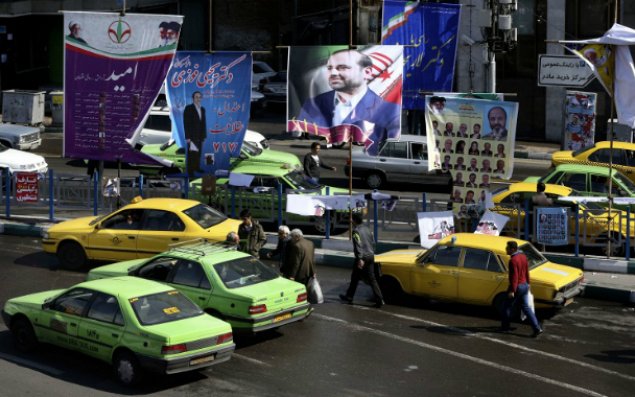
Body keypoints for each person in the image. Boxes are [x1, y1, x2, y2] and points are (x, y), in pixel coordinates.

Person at [295, 49, 401, 155]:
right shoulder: (318, 101)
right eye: (331, 68)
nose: (335, 73)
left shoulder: (381, 106)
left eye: (344, 68)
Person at [339, 212, 384, 308]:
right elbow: (373, 242)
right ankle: (379, 299)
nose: (350, 220)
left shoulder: (356, 231)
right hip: (371, 255)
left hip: (362, 257)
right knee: (367, 278)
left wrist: (360, 258)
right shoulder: (368, 229)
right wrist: (371, 252)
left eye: (351, 219)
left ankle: (349, 297)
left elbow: (358, 244)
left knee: (356, 278)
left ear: (354, 220)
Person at [501, 240, 543, 337]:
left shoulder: (513, 260)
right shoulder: (523, 257)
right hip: (524, 285)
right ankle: (537, 328)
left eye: (507, 248)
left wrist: (512, 290)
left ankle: (505, 327)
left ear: (513, 249)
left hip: (517, 287)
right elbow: (526, 272)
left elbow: (514, 277)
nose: (506, 250)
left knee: (506, 307)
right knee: (526, 307)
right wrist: (528, 283)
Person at [183, 91, 207, 177]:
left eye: (199, 97)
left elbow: (203, 123)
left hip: (200, 136)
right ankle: (190, 172)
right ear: (193, 98)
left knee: (198, 153)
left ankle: (197, 168)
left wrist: (204, 136)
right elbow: (186, 123)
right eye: (196, 97)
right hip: (191, 136)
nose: (198, 99)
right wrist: (187, 137)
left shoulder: (202, 109)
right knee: (191, 155)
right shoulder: (188, 108)